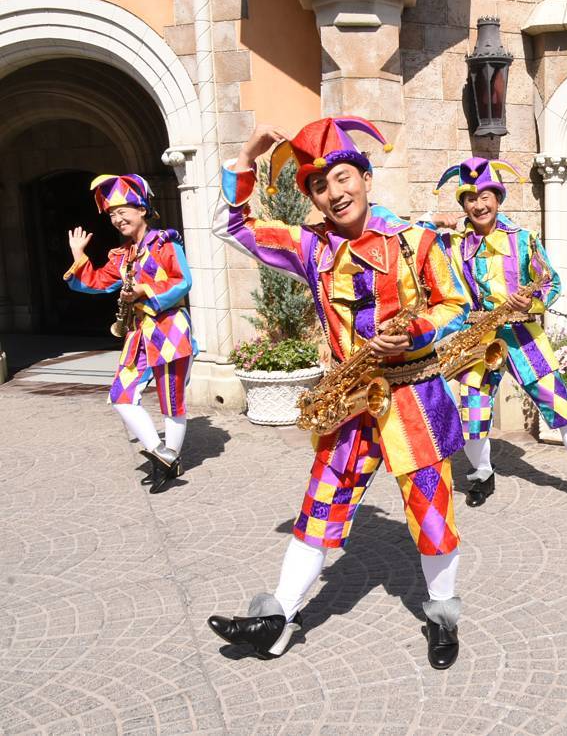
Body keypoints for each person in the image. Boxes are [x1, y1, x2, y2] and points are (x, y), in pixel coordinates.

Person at [207, 118, 470, 669]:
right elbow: (232, 227)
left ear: (366, 179)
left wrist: (416, 332)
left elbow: (455, 305)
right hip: (348, 403)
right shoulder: (310, 247)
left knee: (430, 510)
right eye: (320, 187)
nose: (335, 193)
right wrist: (246, 158)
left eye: (344, 178)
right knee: (320, 506)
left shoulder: (415, 241)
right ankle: (276, 618)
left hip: (414, 398)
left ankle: (442, 615)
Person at [429, 157, 567, 507]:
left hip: (523, 334)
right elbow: (402, 234)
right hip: (479, 339)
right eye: (470, 198)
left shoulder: (524, 240)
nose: (479, 204)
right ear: (463, 205)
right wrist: (434, 220)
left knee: (558, 402)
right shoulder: (454, 244)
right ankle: (482, 474)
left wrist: (530, 302)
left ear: (498, 198)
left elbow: (552, 284)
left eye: (485, 195)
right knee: (473, 410)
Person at [64, 174, 195, 493]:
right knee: (120, 396)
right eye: (111, 214)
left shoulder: (166, 242)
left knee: (172, 400)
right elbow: (93, 283)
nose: (117, 218)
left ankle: (169, 460)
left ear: (142, 210)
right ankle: (161, 453)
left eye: (123, 210)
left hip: (169, 329)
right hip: (137, 335)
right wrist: (78, 256)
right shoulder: (120, 256)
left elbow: (183, 281)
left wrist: (143, 290)